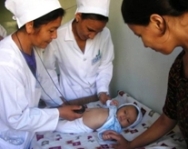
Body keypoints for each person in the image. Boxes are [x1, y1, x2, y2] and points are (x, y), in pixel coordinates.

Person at [102, 0, 188, 148]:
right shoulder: (178, 68)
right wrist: (130, 145)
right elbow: (167, 119)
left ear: (157, 22)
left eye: (139, 35)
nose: (145, 44)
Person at [0, 0, 83, 148]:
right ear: (30, 25)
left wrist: (60, 104)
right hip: (8, 139)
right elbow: (16, 118)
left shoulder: (34, 49)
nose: (55, 36)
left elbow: (43, 81)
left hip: (29, 132)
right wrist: (59, 113)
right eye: (51, 30)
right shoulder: (6, 62)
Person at [42, 0, 114, 106]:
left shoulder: (105, 34)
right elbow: (48, 69)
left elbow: (105, 65)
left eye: (98, 32)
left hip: (97, 96)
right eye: (90, 29)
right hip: (69, 98)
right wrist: (58, 96)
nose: (93, 36)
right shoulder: (58, 36)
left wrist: (102, 90)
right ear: (78, 17)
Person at [56, 99, 142, 143]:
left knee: (60, 126)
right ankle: (51, 114)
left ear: (128, 126)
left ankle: (50, 124)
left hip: (82, 125)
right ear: (121, 107)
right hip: (82, 112)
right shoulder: (114, 109)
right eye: (125, 112)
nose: (123, 117)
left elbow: (106, 133)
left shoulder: (116, 126)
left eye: (128, 120)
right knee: (61, 113)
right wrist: (111, 102)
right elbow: (107, 103)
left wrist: (107, 136)